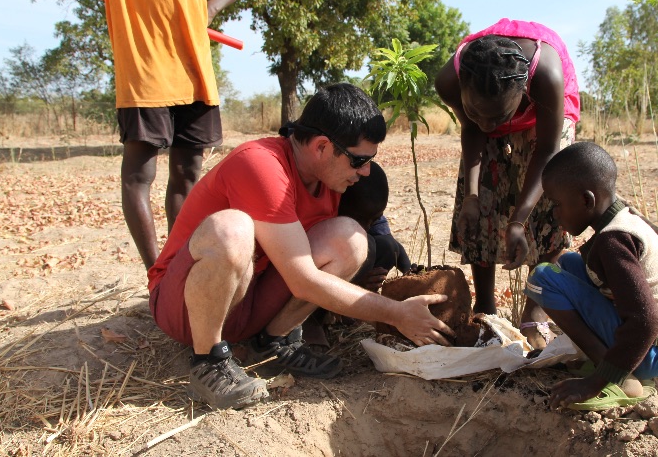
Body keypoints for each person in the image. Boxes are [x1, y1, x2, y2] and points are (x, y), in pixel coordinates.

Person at [148, 83, 455, 409]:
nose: (365, 172)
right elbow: (303, 279)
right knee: (231, 230)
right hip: (185, 308)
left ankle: (272, 341)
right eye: (359, 161)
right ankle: (209, 360)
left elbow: (365, 211)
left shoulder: (330, 175)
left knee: (350, 237)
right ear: (322, 146)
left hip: (246, 303)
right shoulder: (259, 164)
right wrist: (395, 314)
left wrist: (386, 238)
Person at [56, 0, 249, 270]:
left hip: (194, 74)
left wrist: (210, 9)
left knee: (188, 174)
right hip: (144, 73)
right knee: (139, 174)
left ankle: (181, 268)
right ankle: (156, 275)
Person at [434, 18, 581, 350]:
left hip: (544, 124)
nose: (488, 124)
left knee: (553, 203)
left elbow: (546, 151)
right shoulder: (449, 81)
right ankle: (485, 306)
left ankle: (535, 310)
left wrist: (518, 220)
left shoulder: (546, 77)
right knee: (482, 199)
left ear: (522, 91)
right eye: (477, 111)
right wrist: (471, 196)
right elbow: (474, 130)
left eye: (497, 117)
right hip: (497, 101)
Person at [524, 142, 658, 411]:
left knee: (542, 277)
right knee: (569, 262)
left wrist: (597, 381)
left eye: (558, 204)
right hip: (646, 347)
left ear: (586, 200)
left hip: (647, 354)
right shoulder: (629, 218)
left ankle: (613, 372)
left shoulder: (613, 241)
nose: (555, 213)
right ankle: (614, 365)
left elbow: (646, 320)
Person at [337, 161, 412, 292]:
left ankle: (361, 300)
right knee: (369, 242)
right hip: (324, 280)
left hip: (353, 267)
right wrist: (356, 282)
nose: (367, 226)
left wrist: (410, 272)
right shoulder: (325, 216)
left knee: (387, 245)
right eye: (362, 220)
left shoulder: (367, 212)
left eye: (374, 219)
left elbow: (393, 246)